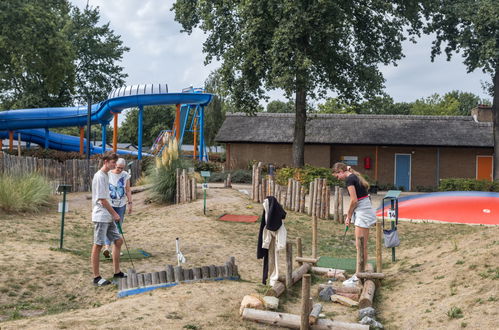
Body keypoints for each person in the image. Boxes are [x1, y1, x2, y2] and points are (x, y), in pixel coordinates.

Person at [332, 162, 376, 278]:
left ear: (340, 171)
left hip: (362, 211)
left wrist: (349, 216)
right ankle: (362, 270)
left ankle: (359, 273)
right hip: (363, 209)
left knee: (360, 245)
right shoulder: (353, 176)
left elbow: (354, 200)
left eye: (337, 176)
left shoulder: (349, 179)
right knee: (363, 245)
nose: (338, 179)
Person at [90, 152, 127, 286]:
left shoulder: (106, 175)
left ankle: (117, 272)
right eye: (113, 163)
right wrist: (115, 214)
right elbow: (103, 200)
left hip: (108, 215)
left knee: (118, 241)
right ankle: (96, 277)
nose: (114, 165)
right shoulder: (99, 176)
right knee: (98, 244)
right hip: (101, 215)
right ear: (106, 161)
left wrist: (112, 214)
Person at [102, 158, 132, 258]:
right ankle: (106, 248)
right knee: (109, 225)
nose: (119, 170)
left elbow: (127, 190)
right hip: (110, 204)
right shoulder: (109, 174)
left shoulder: (125, 175)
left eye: (122, 168)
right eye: (118, 167)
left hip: (121, 204)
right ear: (115, 165)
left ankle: (116, 249)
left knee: (118, 226)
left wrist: (130, 203)